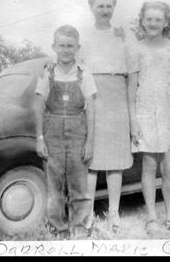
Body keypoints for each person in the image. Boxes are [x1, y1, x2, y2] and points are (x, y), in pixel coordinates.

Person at [127, 2, 170, 235]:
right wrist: (133, 121)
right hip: (145, 110)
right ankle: (152, 218)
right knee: (148, 164)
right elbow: (131, 86)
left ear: (166, 22)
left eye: (158, 19)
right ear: (142, 21)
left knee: (168, 166)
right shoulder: (135, 49)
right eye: (149, 19)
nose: (153, 23)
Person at [78, 0, 134, 232]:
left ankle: (113, 214)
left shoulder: (123, 34)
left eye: (109, 6)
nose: (105, 10)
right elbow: (79, 70)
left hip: (117, 95)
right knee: (92, 159)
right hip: (93, 96)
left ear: (114, 8)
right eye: (100, 6)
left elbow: (132, 69)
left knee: (115, 161)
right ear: (91, 7)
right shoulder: (84, 36)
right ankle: (88, 214)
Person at [35, 25, 97, 239]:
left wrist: (90, 141)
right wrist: (40, 138)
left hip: (77, 128)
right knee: (54, 183)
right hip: (51, 129)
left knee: (79, 181)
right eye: (61, 45)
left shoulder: (84, 72)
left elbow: (91, 107)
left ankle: (79, 226)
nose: (66, 50)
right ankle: (58, 228)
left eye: (70, 46)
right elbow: (38, 106)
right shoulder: (47, 72)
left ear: (77, 48)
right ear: (54, 47)